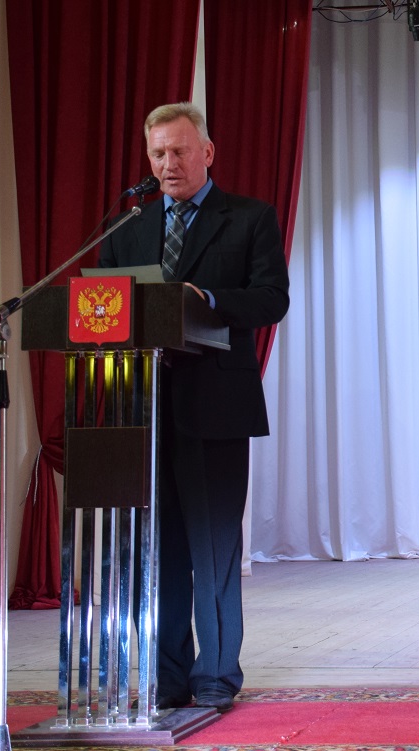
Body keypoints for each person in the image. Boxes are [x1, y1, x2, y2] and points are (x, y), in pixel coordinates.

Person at [99, 102, 290, 711]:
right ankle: (168, 675)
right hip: (145, 410)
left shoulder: (249, 218)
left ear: (207, 152)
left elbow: (271, 299)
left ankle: (216, 675)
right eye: (158, 153)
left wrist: (203, 298)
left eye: (179, 151)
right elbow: (103, 310)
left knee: (212, 550)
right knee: (159, 552)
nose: (168, 164)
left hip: (216, 405)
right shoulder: (124, 229)